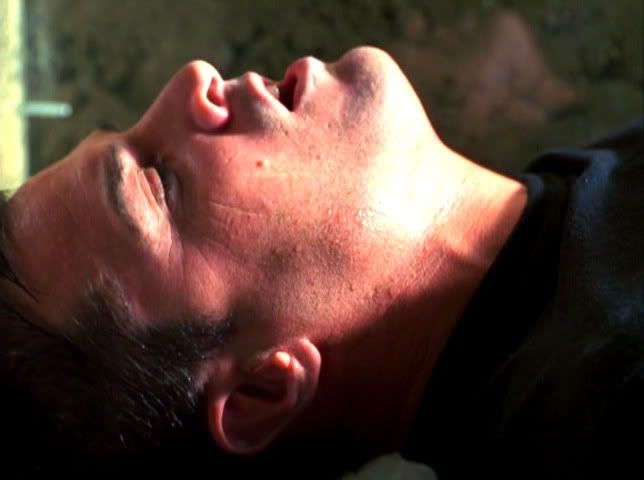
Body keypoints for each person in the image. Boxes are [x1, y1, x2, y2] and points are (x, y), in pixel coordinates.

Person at [0, 46, 642, 478]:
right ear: (261, 390)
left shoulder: (582, 215)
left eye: (127, 129)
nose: (193, 80)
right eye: (159, 183)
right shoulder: (607, 414)